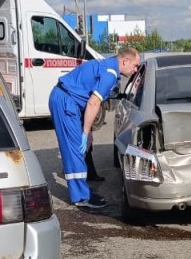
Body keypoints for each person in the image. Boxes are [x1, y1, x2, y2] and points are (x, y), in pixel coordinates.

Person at [50, 46, 140, 209]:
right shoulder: (110, 74)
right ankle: (81, 197)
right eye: (134, 66)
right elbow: (93, 103)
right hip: (65, 102)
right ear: (125, 61)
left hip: (68, 100)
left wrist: (89, 132)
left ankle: (81, 190)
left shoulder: (107, 65)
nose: (135, 70)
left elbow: (88, 102)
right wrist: (85, 132)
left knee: (77, 148)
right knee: (74, 149)